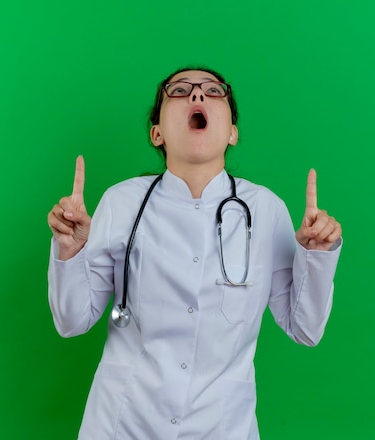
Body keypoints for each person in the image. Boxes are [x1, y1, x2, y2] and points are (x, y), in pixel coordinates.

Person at [47, 66, 342, 439]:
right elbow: (72, 321)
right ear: (157, 133)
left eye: (214, 91)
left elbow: (306, 328)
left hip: (222, 427)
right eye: (180, 90)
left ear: (233, 132)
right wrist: (70, 252)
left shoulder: (265, 210)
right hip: (124, 424)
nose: (198, 96)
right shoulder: (122, 202)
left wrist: (317, 257)